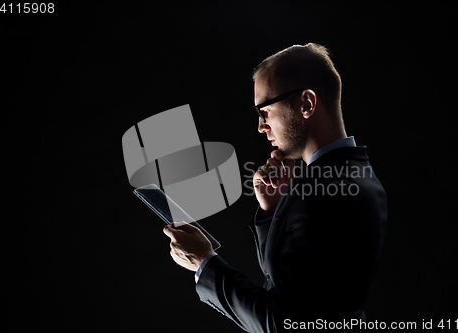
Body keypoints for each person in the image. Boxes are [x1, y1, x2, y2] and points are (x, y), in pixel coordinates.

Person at [163, 43, 387, 332]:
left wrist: (204, 263)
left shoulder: (325, 194)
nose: (260, 126)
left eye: (265, 110)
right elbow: (294, 287)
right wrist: (274, 210)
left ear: (306, 103)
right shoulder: (353, 173)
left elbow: (283, 322)